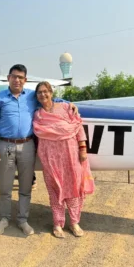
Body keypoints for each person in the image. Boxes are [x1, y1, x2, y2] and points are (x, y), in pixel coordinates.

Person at [0, 64, 78, 236]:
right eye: (14, 76)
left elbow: (50, 99)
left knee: (25, 187)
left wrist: (69, 103)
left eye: (20, 77)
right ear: (8, 78)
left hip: (28, 145)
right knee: (5, 186)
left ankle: (23, 220)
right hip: (6, 145)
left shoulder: (31, 95)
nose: (17, 80)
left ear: (25, 80)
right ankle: (4, 219)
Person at [33, 81, 95, 238]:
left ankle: (74, 222)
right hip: (50, 159)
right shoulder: (38, 114)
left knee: (73, 189)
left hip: (70, 155)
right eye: (39, 92)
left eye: (45, 91)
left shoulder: (66, 108)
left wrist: (83, 148)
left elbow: (78, 126)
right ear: (36, 96)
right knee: (54, 191)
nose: (43, 95)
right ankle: (57, 223)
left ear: (51, 93)